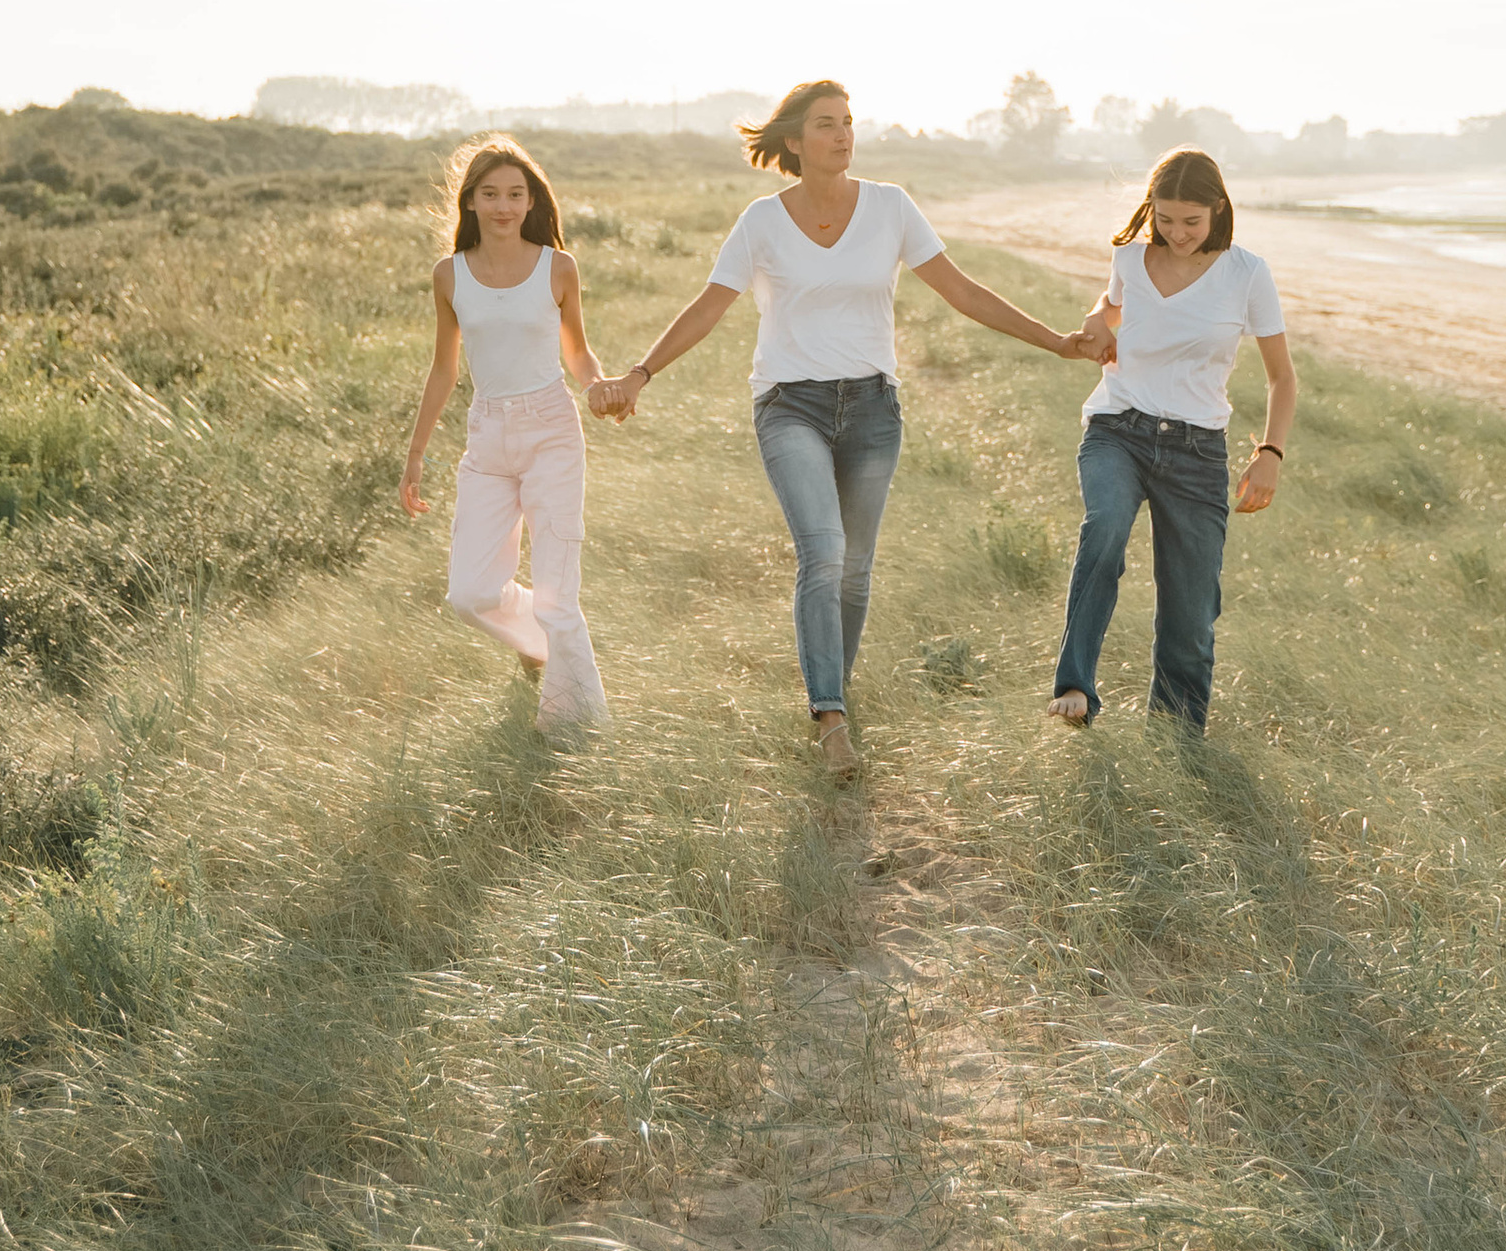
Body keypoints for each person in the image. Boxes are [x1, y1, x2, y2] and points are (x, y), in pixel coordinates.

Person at [595, 78, 1090, 774]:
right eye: (826, 124)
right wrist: (640, 374)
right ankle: (830, 718)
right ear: (794, 141)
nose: (843, 134)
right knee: (823, 552)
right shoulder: (761, 222)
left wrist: (1059, 341)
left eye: (848, 122)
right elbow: (709, 305)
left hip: (872, 409)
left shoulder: (890, 207)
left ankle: (837, 689)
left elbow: (964, 290)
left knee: (855, 574)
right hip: (789, 405)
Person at [1050, 147, 1295, 731]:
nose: (1177, 233)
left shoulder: (1247, 273)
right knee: (1104, 527)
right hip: (1119, 427)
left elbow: (1282, 376)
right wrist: (1094, 322)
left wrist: (1269, 453)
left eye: (1191, 221)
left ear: (1218, 209)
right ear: (1150, 210)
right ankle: (1075, 685)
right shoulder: (1130, 259)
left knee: (1190, 613)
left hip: (1197, 451)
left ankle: (1176, 743)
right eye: (1164, 219)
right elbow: (1110, 307)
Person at [400, 137, 611, 730]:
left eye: (515, 194)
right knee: (469, 593)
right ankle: (537, 641)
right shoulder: (449, 276)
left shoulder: (557, 266)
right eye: (490, 194)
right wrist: (415, 454)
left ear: (530, 201)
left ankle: (578, 736)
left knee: (559, 600)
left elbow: (579, 351)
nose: (503, 205)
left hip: (552, 433)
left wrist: (598, 384)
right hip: (487, 438)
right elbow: (443, 368)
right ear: (468, 202)